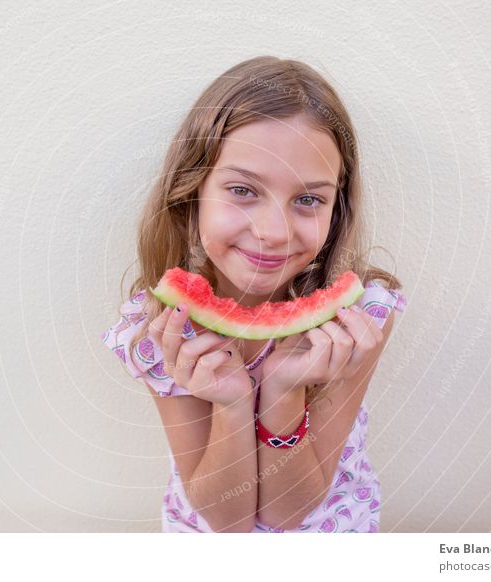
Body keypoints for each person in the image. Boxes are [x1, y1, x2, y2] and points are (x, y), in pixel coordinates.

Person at [100, 55, 407, 533]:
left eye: (308, 199)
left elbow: (289, 511)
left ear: (336, 209)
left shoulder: (359, 319)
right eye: (243, 190)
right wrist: (231, 405)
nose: (272, 231)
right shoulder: (158, 329)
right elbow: (228, 520)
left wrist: (284, 391)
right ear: (192, 190)